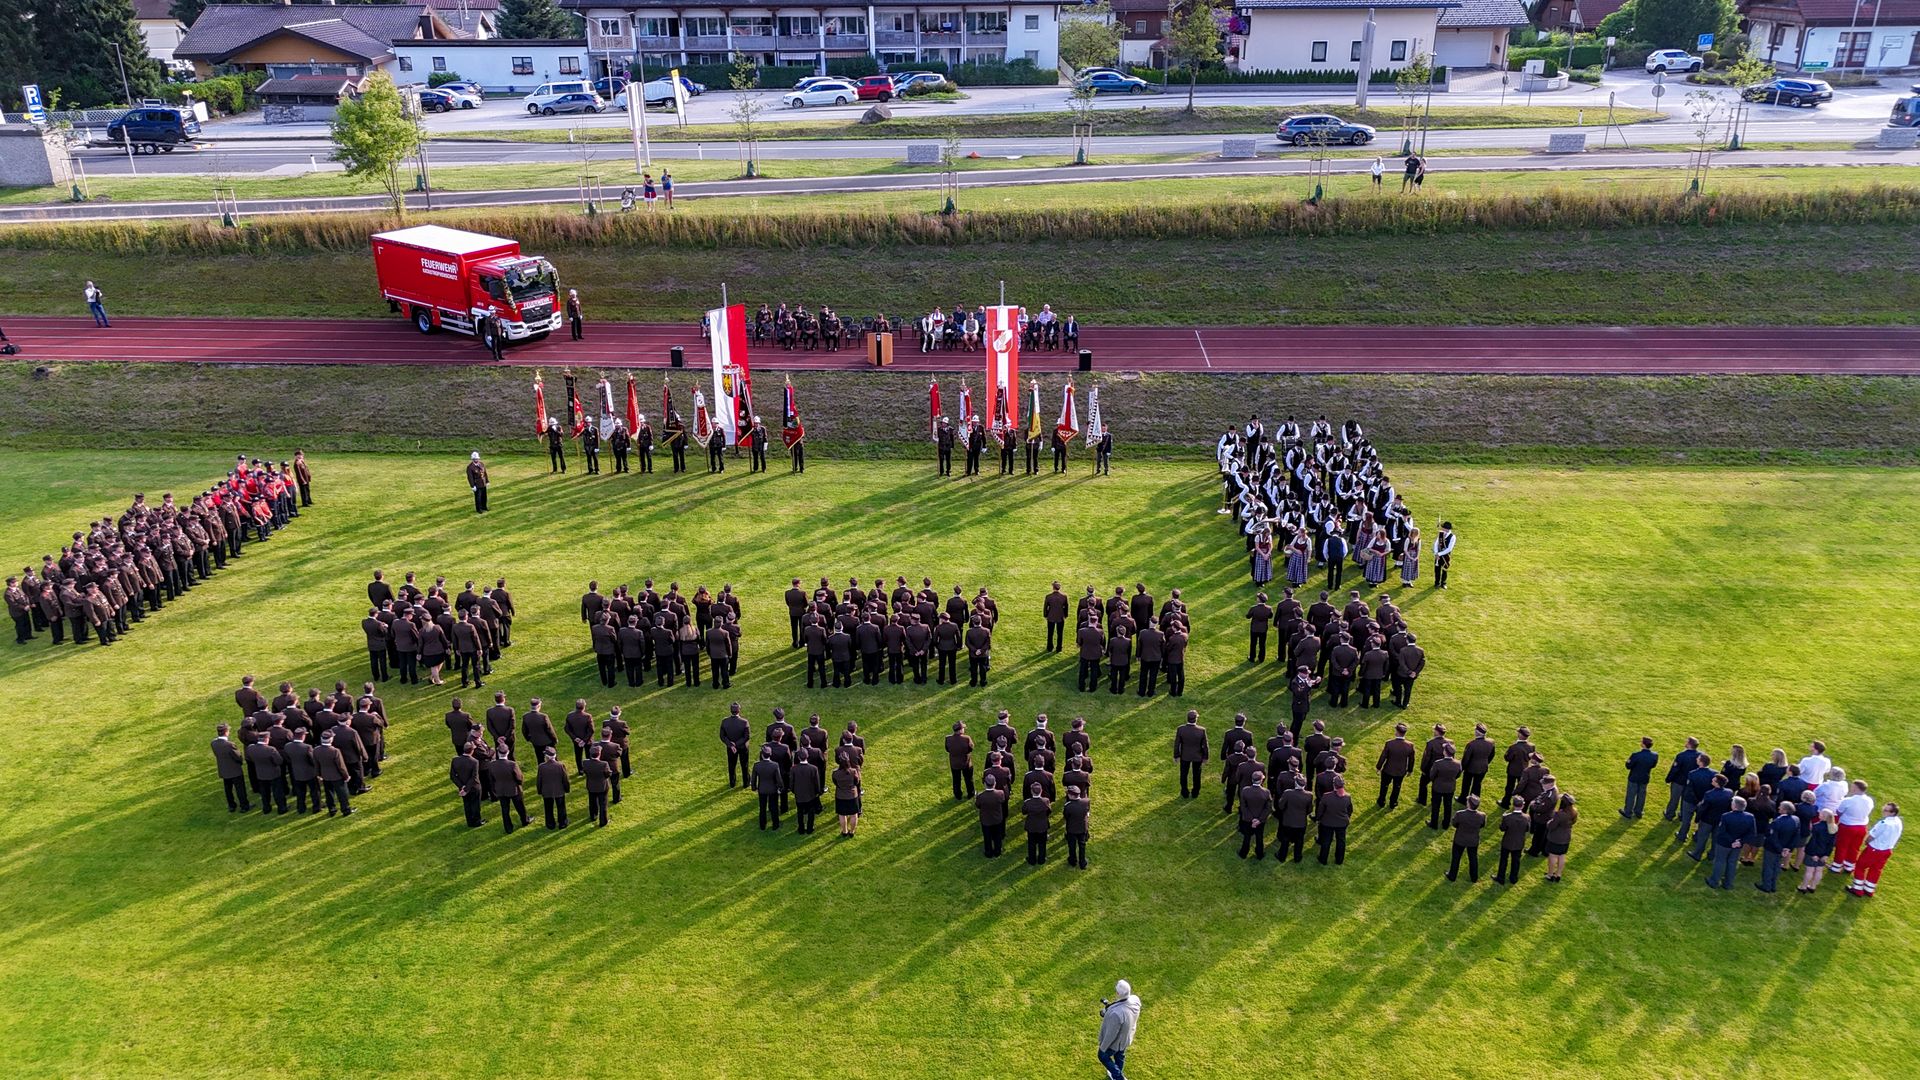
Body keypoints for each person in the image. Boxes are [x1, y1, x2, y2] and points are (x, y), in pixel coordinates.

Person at [1849, 802, 1902, 898]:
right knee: (1876, 870)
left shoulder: (1884, 823)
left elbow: (1872, 836)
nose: (1883, 811)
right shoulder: (1898, 821)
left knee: (1860, 866)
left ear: (1892, 813)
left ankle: (1857, 889)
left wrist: (1866, 842)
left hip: (1875, 849)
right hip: (1887, 850)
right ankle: (1869, 889)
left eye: (1886, 810)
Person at [1706, 795, 1754, 890]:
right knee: (1732, 863)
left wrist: (1732, 841)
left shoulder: (1726, 816)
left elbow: (1722, 832)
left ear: (1735, 806)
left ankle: (1714, 881)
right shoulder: (1750, 817)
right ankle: (1728, 884)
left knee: (1720, 861)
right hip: (1738, 845)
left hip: (1724, 843)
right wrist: (1740, 842)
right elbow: (1752, 833)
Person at [1097, 980, 1140, 1080]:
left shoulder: (1116, 1014)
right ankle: (1116, 1075)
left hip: (1117, 1042)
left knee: (1102, 1056)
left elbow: (1111, 1034)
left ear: (1117, 993)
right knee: (1120, 1056)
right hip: (1127, 1036)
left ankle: (1119, 1077)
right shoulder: (1135, 1000)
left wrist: (1103, 1047)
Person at [486, 740, 527, 834]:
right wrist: (519, 784)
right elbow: (519, 778)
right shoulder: (512, 764)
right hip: (514, 789)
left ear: (498, 752)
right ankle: (525, 821)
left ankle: (508, 828)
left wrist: (495, 789)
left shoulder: (492, 765)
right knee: (520, 807)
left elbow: (491, 779)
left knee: (505, 809)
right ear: (508, 752)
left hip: (500, 789)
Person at [211, 723, 250, 812]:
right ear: (226, 732)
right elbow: (238, 757)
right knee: (240, 789)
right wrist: (240, 762)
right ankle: (244, 806)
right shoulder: (229, 745)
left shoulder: (213, 743)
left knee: (228, 789)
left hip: (223, 770)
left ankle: (231, 806)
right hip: (234, 770)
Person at [1447, 794, 1486, 883]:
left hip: (1460, 839)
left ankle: (1452, 876)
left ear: (1468, 804)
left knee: (1456, 858)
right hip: (1473, 840)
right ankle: (1474, 877)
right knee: (1473, 858)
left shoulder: (1460, 814)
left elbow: (1454, 824)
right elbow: (1482, 825)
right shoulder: (1482, 815)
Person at [1316, 777, 1353, 865]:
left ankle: (1323, 859)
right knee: (1341, 841)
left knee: (1326, 841)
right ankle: (1339, 860)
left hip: (1327, 822)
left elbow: (1320, 810)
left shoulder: (1326, 796)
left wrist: (1318, 818)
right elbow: (1350, 810)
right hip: (1342, 823)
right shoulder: (1347, 797)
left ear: (1334, 785)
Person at [1544, 792, 1578, 882]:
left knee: (1552, 856)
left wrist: (1549, 822)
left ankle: (1550, 874)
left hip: (1556, 838)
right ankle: (1558, 874)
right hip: (1566, 837)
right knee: (1562, 855)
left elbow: (1551, 826)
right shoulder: (1574, 812)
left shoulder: (1560, 814)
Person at [1622, 736, 1659, 819]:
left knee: (1631, 795)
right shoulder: (1655, 755)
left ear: (1643, 744)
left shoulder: (1636, 755)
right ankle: (1639, 812)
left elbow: (1628, 766)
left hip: (1634, 777)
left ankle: (1628, 812)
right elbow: (1653, 765)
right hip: (1645, 777)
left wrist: (1628, 762)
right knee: (1642, 795)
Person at [1174, 710, 1208, 799]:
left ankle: (1184, 792)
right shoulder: (1202, 730)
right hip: (1197, 756)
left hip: (1185, 756)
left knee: (1183, 774)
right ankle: (1195, 792)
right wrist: (1205, 757)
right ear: (1196, 719)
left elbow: (1177, 744)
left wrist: (1176, 755)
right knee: (1197, 775)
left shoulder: (1181, 729)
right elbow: (1205, 745)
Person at [1495, 796, 1528, 884]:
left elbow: (1502, 828)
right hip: (1519, 842)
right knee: (1516, 861)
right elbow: (1528, 829)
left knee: (1503, 860)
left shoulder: (1507, 817)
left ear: (1513, 805)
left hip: (1507, 842)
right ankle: (1513, 878)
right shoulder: (1527, 817)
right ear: (1522, 806)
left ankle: (1500, 877)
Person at [790, 746, 823, 835]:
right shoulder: (813, 768)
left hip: (799, 795)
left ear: (799, 758)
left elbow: (791, 783)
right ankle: (809, 828)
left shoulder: (794, 769)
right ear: (807, 756)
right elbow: (817, 782)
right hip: (811, 795)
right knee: (811, 813)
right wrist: (817, 792)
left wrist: (794, 791)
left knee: (800, 812)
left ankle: (801, 829)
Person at [536, 747, 570, 830]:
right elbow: (565, 779)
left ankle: (550, 824)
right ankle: (563, 823)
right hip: (559, 790)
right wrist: (567, 789)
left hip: (546, 791)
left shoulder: (541, 767)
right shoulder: (560, 765)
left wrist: (539, 790)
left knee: (548, 808)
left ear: (546, 757)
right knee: (561, 807)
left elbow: (539, 781)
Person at [752, 746, 784, 830]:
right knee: (774, 808)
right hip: (773, 789)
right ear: (770, 754)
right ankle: (775, 825)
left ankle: (762, 825)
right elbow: (779, 779)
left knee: (762, 808)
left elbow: (753, 778)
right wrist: (780, 787)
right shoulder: (775, 765)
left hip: (762, 789)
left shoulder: (757, 765)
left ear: (762, 755)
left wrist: (754, 788)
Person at [976, 774, 1008, 857]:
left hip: (986, 820)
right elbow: (1003, 800)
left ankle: (988, 852)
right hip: (997, 819)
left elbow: (978, 805)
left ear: (985, 784)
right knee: (998, 836)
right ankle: (998, 851)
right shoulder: (1000, 793)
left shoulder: (980, 796)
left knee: (987, 837)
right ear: (995, 783)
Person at [832, 753, 862, 838]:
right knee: (854, 814)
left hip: (840, 796)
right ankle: (852, 832)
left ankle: (844, 831)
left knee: (842, 815)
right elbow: (856, 782)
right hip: (852, 796)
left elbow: (835, 783)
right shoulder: (853, 771)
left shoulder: (835, 773)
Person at [1022, 781, 1053, 864]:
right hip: (1042, 825)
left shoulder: (1027, 802)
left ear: (1031, 791)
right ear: (1041, 791)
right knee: (1042, 843)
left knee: (1031, 843)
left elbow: (1024, 812)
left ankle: (1032, 860)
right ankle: (1041, 859)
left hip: (1031, 825)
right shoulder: (1046, 801)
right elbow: (1049, 811)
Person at [1064, 785, 1091, 869]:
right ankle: (1082, 863)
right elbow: (1087, 811)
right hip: (1082, 827)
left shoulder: (1068, 806)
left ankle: (1072, 861)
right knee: (1082, 845)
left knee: (1072, 846)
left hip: (1071, 829)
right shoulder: (1086, 801)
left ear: (1071, 795)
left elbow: (1066, 816)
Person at [1432, 522, 1455, 588]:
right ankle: (1437, 583)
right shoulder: (1441, 534)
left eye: (1443, 528)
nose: (1442, 529)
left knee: (1445, 570)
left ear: (1447, 529)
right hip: (1438, 556)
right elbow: (1436, 544)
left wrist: (1439, 554)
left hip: (1446, 556)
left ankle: (1443, 583)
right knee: (1437, 569)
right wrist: (1436, 553)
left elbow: (1449, 549)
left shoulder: (1452, 537)